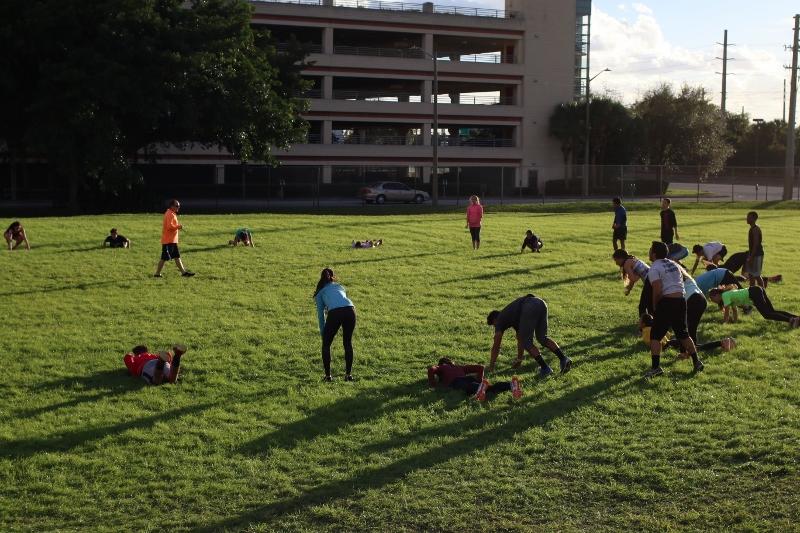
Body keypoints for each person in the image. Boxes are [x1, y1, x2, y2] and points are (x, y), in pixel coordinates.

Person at [644, 241, 703, 377]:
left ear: (653, 253)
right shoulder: (674, 264)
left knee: (655, 336)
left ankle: (656, 368)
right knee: (683, 333)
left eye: (650, 249)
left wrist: (655, 305)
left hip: (667, 301)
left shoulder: (654, 268)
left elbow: (657, 289)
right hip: (681, 301)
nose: (649, 252)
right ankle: (697, 361)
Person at [486, 295, 571, 377]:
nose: (495, 327)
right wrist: (519, 360)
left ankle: (545, 369)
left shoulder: (500, 319)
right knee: (542, 338)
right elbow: (520, 339)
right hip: (541, 303)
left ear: (494, 320)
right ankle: (564, 359)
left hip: (529, 306)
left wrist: (491, 366)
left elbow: (496, 346)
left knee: (527, 342)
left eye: (494, 325)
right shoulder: (512, 316)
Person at [314, 268, 356, 381]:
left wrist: (323, 334)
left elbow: (320, 315)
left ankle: (328, 377)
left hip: (335, 312)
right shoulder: (339, 286)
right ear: (333, 276)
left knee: (326, 345)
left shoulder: (319, 293)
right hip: (350, 309)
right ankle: (348, 375)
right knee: (347, 342)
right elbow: (340, 300)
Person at [427, 357, 522, 400]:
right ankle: (511, 385)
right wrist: (479, 381)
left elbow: (431, 369)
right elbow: (480, 367)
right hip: (469, 379)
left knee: (470, 388)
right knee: (490, 388)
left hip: (456, 382)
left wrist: (432, 384)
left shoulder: (442, 367)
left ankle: (481, 388)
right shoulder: (460, 367)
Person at [709, 286, 800, 328]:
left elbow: (727, 312)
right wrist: (735, 322)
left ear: (716, 295)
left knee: (767, 314)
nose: (714, 301)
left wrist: (724, 324)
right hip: (756, 289)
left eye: (713, 299)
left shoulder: (725, 296)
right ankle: (796, 318)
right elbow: (735, 311)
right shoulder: (727, 296)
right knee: (771, 311)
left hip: (754, 292)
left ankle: (791, 320)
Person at [154, 199, 195, 278]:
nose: (178, 207)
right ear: (172, 206)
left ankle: (183, 273)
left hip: (171, 240)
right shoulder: (170, 214)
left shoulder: (171, 213)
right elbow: (169, 227)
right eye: (177, 206)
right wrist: (178, 226)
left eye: (179, 206)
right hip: (168, 241)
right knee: (164, 258)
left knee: (177, 256)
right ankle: (157, 274)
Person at [612, 249, 652, 317]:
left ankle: (646, 323)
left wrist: (628, 289)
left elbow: (633, 279)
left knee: (643, 306)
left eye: (616, 260)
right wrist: (629, 289)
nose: (616, 263)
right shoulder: (632, 260)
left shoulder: (627, 263)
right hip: (652, 280)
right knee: (648, 304)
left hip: (650, 282)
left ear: (621, 258)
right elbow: (633, 279)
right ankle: (650, 321)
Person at [123, 344, 187, 385]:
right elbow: (168, 359)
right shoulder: (153, 355)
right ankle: (177, 356)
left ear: (136, 353)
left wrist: (130, 355)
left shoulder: (136, 358)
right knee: (172, 379)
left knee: (156, 381)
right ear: (146, 351)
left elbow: (128, 360)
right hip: (160, 361)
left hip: (146, 365)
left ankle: (161, 362)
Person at [744, 211, 764, 288]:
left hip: (757, 254)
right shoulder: (752, 228)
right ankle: (752, 291)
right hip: (753, 254)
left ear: (753, 218)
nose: (747, 218)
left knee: (756, 275)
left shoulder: (755, 229)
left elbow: (756, 245)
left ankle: (762, 292)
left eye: (748, 217)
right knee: (751, 274)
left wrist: (751, 257)